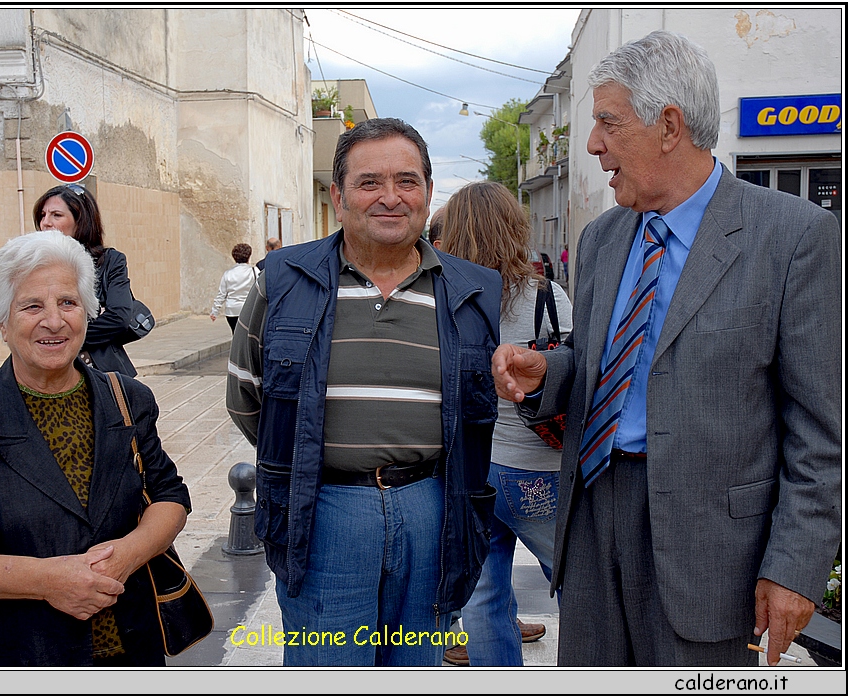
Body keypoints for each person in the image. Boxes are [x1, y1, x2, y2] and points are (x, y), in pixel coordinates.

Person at [492, 30, 840, 667]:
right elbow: (610, 367)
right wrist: (549, 373)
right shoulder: (601, 239)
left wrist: (795, 566)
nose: (593, 144)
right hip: (593, 518)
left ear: (669, 125)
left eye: (607, 122)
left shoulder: (795, 239)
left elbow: (822, 429)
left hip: (712, 549)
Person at [227, 118, 501, 666]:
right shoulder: (281, 279)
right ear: (339, 194)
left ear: (427, 191)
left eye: (407, 181)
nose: (390, 198)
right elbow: (248, 398)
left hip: (433, 511)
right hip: (322, 511)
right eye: (369, 182)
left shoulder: (475, 290)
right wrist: (316, 458)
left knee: (415, 667)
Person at [0, 230, 191, 666]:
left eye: (68, 303)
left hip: (132, 651)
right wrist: (47, 580)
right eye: (32, 305)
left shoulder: (128, 399)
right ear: (2, 321)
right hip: (16, 656)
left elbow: (169, 495)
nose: (54, 321)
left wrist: (128, 555)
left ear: (88, 313)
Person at [440, 181, 572, 667]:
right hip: (537, 466)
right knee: (576, 580)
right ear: (515, 230)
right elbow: (579, 370)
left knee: (484, 595)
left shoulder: (442, 299)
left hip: (471, 467)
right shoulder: (546, 297)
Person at [34, 183, 142, 377]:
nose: (46, 223)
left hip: (100, 370)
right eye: (43, 215)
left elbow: (118, 318)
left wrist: (57, 338)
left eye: (56, 215)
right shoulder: (32, 265)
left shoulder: (109, 261)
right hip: (44, 372)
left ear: (80, 221)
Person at [210, 243, 258, 333]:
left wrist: (215, 311)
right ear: (249, 256)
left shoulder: (228, 273)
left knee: (235, 334)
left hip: (232, 310)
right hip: (249, 308)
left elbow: (221, 294)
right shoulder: (254, 271)